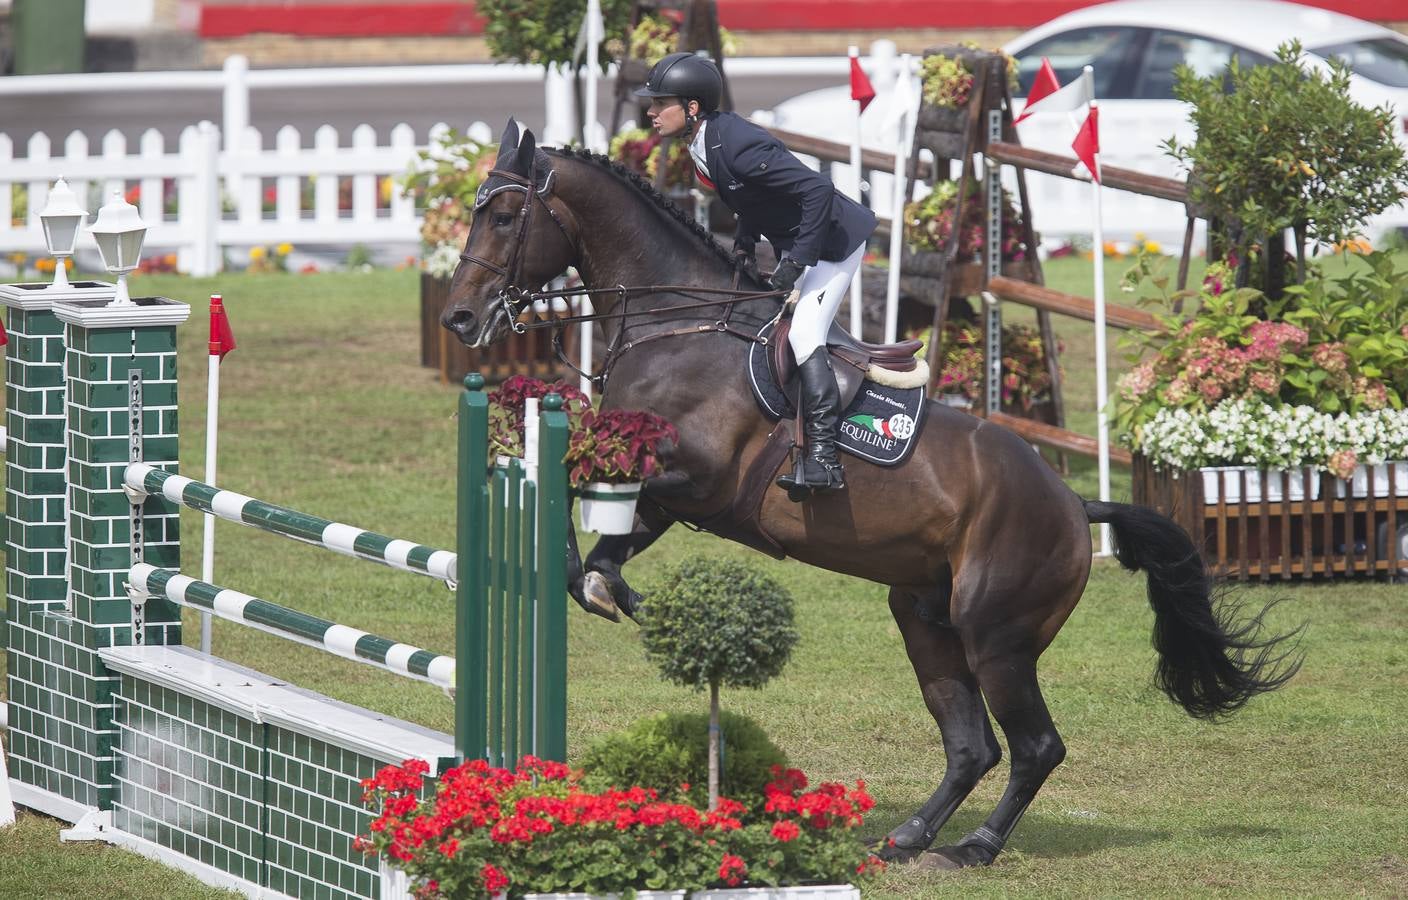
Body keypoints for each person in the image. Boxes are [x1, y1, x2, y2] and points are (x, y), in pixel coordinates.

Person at [636, 52, 877, 499]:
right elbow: (750, 198)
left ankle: (824, 459)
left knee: (805, 336)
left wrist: (796, 261)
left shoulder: (737, 144)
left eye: (660, 102)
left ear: (692, 107)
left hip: (834, 243)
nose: (650, 111)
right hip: (801, 241)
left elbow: (818, 191)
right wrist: (745, 246)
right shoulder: (704, 143)